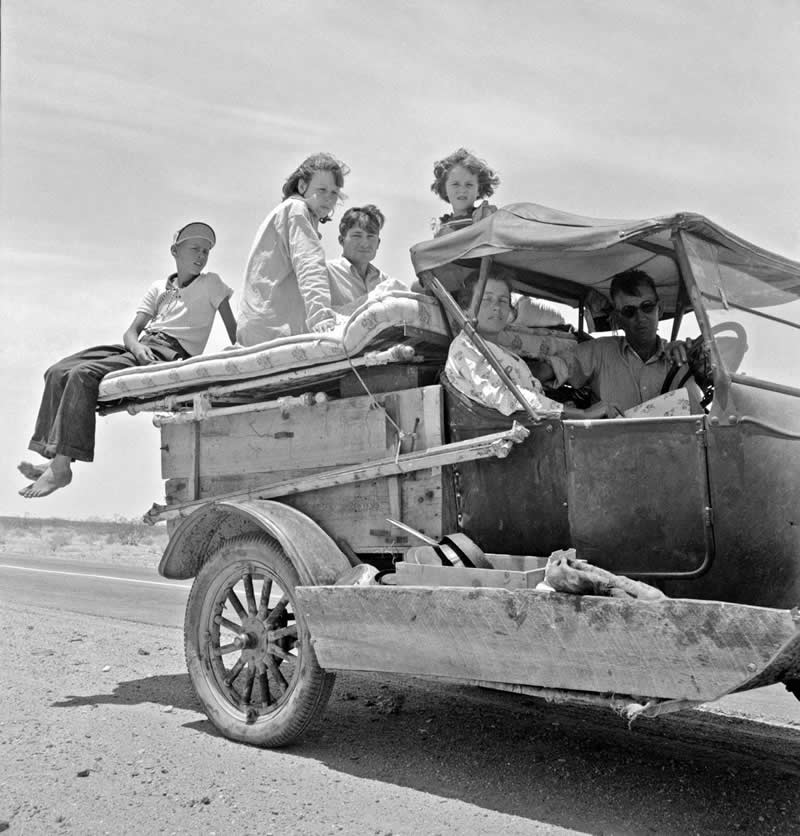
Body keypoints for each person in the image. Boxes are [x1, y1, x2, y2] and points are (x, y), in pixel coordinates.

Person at [18, 222, 236, 498]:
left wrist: (242, 354)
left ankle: (61, 469)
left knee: (83, 374)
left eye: (206, 251)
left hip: (168, 352)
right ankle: (53, 456)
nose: (201, 255)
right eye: (194, 248)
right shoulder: (160, 287)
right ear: (174, 251)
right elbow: (131, 332)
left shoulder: (211, 283)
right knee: (57, 370)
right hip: (139, 346)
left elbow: (233, 329)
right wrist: (136, 348)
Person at [444, 267, 615, 420]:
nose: (496, 307)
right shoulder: (465, 349)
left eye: (503, 300)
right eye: (486, 299)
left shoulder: (498, 350)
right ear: (465, 309)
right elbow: (508, 399)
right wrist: (579, 414)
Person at [542, 269, 698, 414]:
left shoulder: (681, 355)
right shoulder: (599, 351)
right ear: (618, 319)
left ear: (660, 309)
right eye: (629, 311)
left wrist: (695, 359)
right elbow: (554, 368)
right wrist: (519, 369)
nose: (640, 317)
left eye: (647, 307)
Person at [237, 152, 349, 346]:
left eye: (334, 192)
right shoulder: (297, 210)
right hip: (274, 329)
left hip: (259, 325)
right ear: (303, 186)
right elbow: (309, 265)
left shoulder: (288, 212)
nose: (329, 199)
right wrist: (321, 317)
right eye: (321, 189)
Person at [326, 204, 406, 316]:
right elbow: (321, 316)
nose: (365, 243)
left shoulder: (385, 282)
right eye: (357, 236)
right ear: (341, 240)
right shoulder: (325, 273)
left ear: (378, 243)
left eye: (371, 236)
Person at [430, 148, 500, 237]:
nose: (462, 190)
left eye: (469, 184)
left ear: (478, 189)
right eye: (455, 184)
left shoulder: (485, 216)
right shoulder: (441, 228)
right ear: (444, 189)